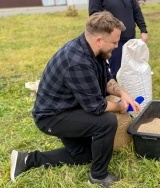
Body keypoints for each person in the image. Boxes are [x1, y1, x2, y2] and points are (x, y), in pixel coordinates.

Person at [10, 11, 141, 187]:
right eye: (115, 42)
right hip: (52, 117)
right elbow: (96, 107)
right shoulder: (78, 61)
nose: (117, 46)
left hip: (69, 107)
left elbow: (107, 79)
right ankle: (98, 176)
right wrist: (120, 107)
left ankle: (27, 159)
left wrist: (122, 93)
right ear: (99, 40)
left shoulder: (96, 51)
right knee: (106, 121)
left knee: (85, 155)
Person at [89, 0, 148, 79]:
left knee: (131, 69)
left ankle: (129, 89)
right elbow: (95, 16)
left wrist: (143, 29)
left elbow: (136, 10)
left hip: (130, 38)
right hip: (112, 41)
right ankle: (115, 89)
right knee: (117, 71)